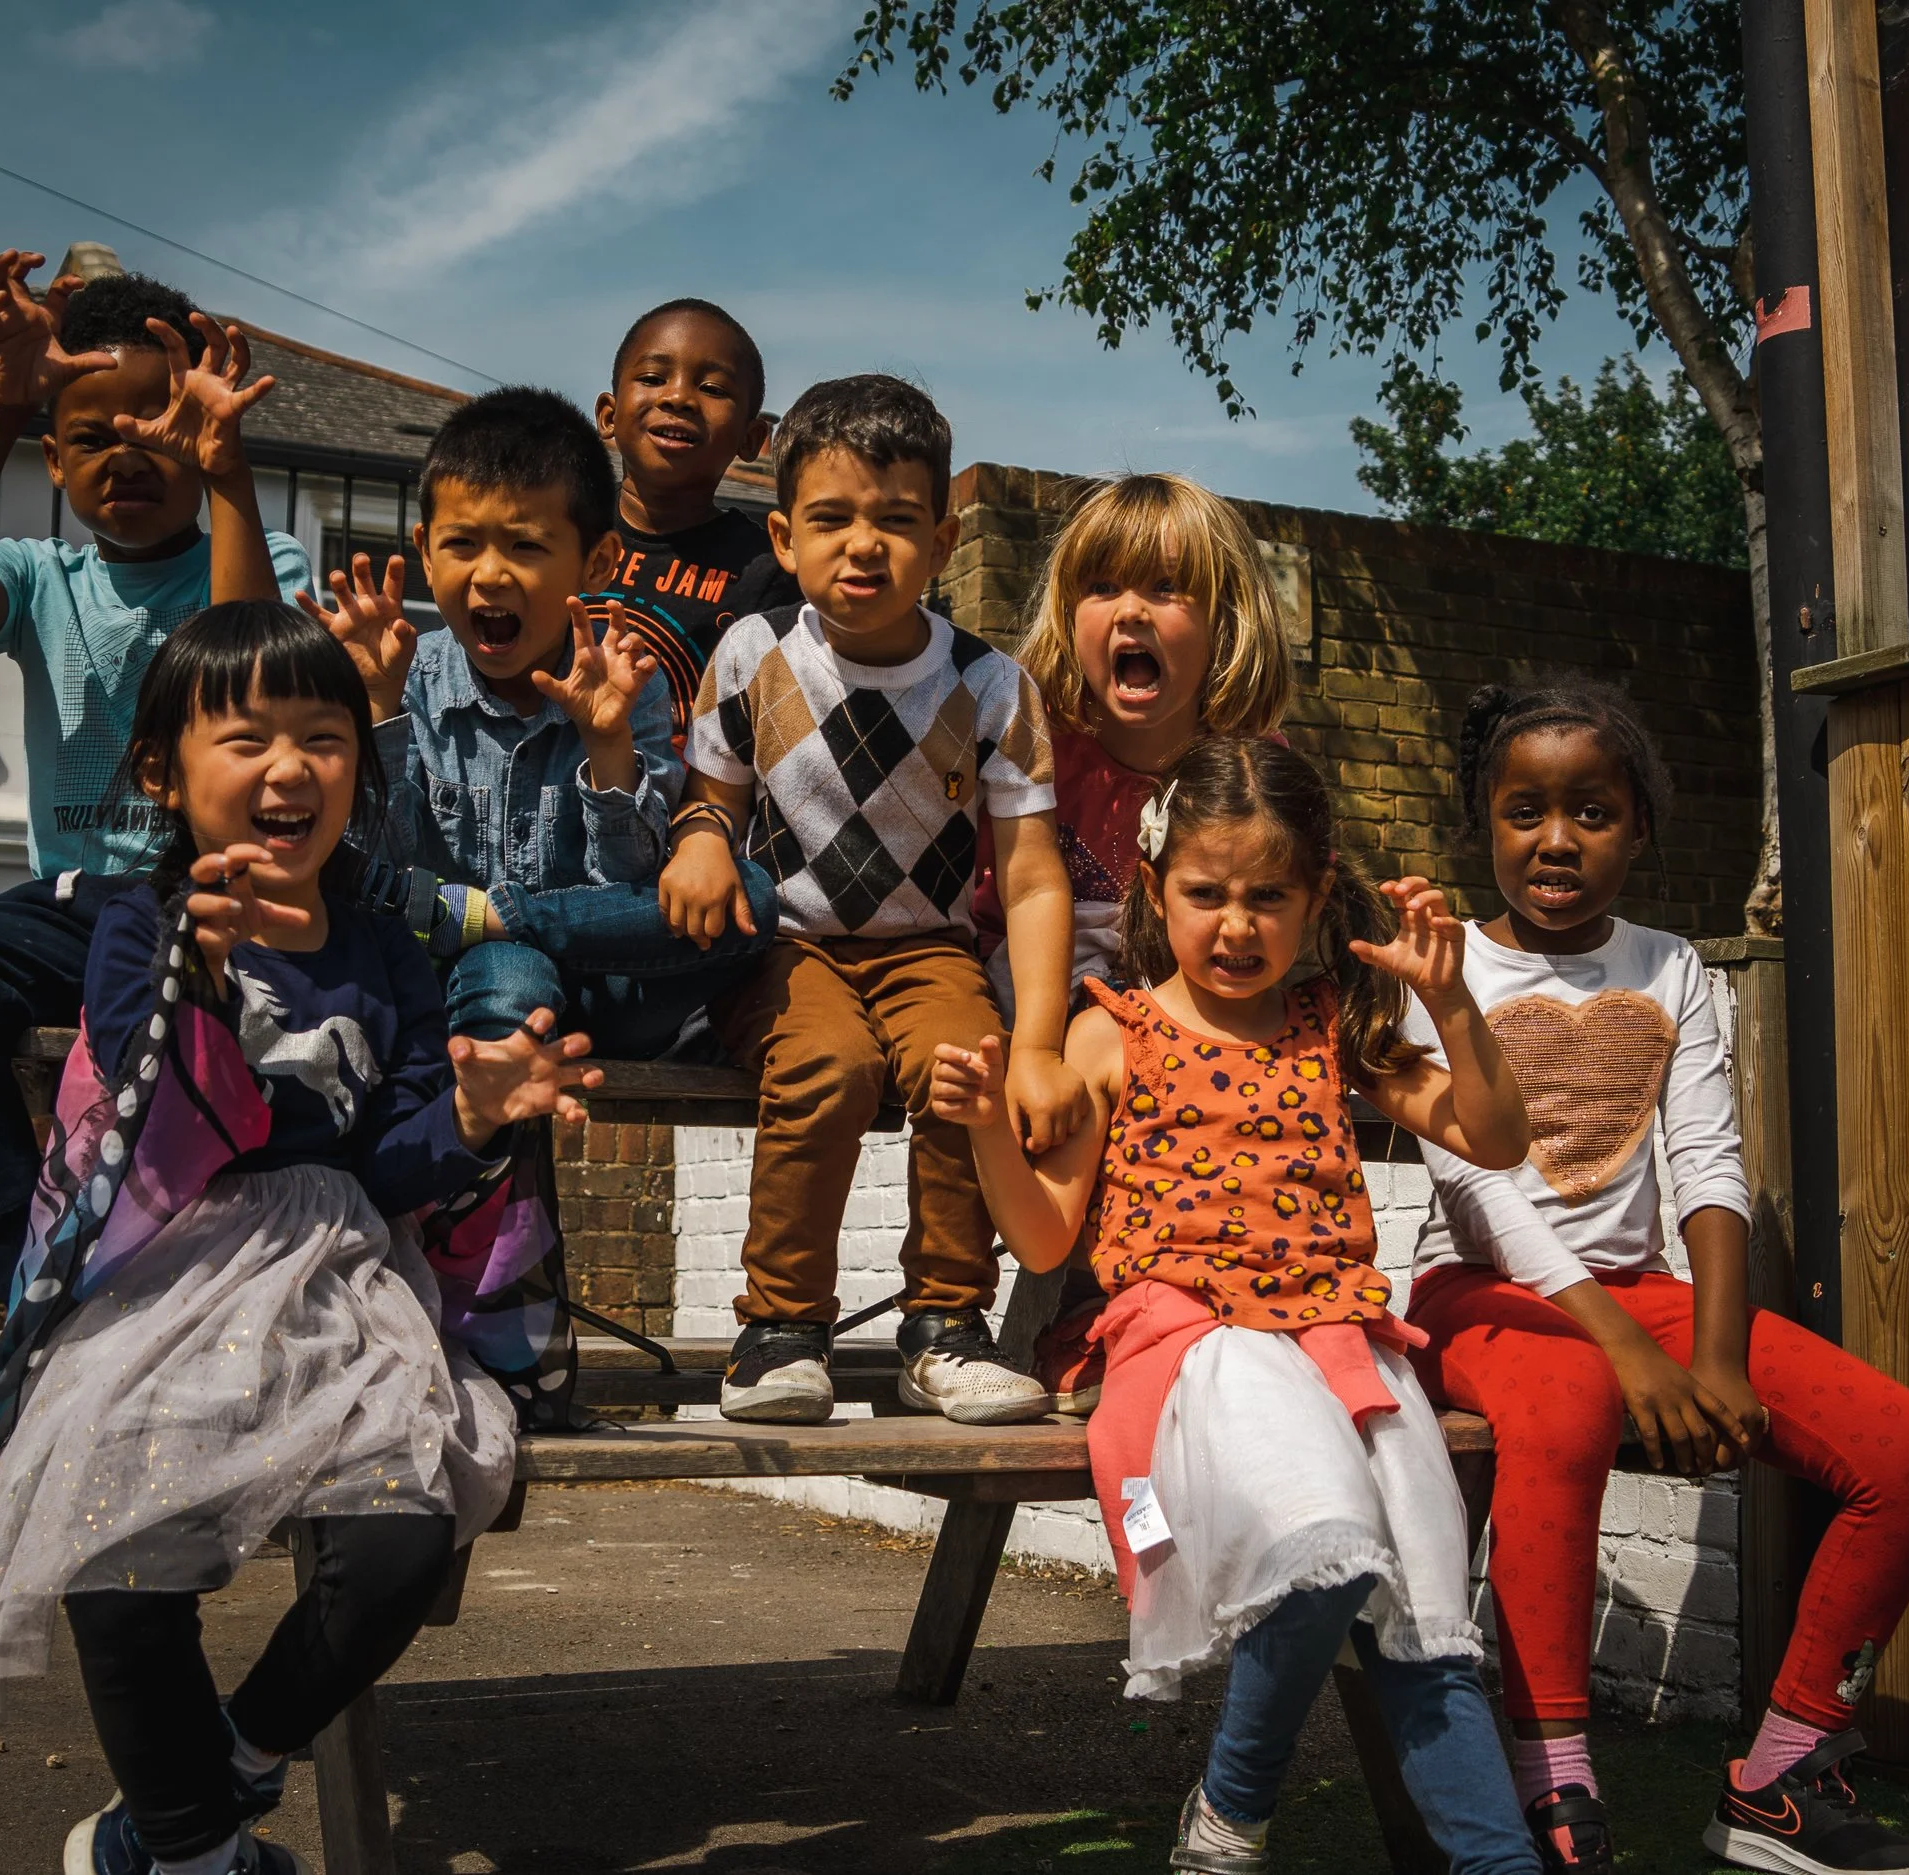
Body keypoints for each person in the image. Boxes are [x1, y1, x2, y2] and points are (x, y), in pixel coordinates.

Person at [0, 601, 599, 1875]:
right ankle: (191, 1853)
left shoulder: (384, 951)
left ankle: (234, 1760)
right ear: (164, 772)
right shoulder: (137, 925)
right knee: (114, 1549)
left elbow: (380, 1155)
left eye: (324, 738)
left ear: (356, 770)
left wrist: (475, 1116)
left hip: (334, 1288)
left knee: (404, 1534)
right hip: (161, 1280)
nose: (289, 769)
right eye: (248, 738)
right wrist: (194, 980)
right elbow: (167, 1122)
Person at [929, 736, 1539, 1875]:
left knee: (1428, 1619)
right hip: (1192, 1347)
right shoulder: (1113, 1029)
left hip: (1343, 1347)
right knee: (1336, 1553)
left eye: (1269, 897)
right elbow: (1047, 1235)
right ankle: (1232, 1803)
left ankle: (1495, 1864)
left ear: (1314, 898)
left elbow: (1496, 1138)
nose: (1236, 925)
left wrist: (1451, 1005)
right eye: (1207, 894)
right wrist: (980, 1133)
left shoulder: (1334, 1025)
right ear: (1157, 890)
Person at [1401, 679, 1909, 1875]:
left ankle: (1779, 1783)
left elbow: (1708, 1161)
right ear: (1483, 824)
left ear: (1638, 829)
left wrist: (1710, 1354)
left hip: (1641, 1300)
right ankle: (1553, 1781)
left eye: (1592, 812)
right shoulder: (1440, 969)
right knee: (1569, 1405)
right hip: (1479, 1297)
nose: (1556, 840)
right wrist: (1629, 1355)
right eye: (1525, 811)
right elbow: (1479, 1192)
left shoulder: (1671, 970)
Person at [0, 252, 311, 1305]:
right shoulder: (37, 577)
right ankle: (19, 1271)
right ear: (53, 465)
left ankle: (195, 1271)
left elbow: (248, 674)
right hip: (76, 906)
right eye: (90, 436)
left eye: (156, 425)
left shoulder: (263, 558)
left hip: (214, 901)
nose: (127, 453)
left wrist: (232, 473)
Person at [662, 374, 1078, 1426]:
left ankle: (945, 1328)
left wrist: (1031, 1044)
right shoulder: (752, 656)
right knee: (825, 1067)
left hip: (926, 951)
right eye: (832, 518)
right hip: (786, 948)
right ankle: (779, 1332)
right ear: (785, 537)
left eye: (896, 521)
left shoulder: (990, 687)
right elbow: (709, 805)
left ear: (940, 545)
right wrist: (703, 843)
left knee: (962, 1075)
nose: (863, 546)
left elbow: (1029, 878)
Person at [305, 385, 777, 1056]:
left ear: (598, 563)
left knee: (751, 895)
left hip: (608, 983)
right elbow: (377, 874)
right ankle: (492, 1135)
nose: (491, 574)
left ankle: (489, 920)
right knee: (508, 967)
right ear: (425, 550)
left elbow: (628, 880)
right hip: (460, 986)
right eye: (463, 543)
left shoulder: (621, 684)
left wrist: (606, 741)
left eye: (525, 547)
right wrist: (379, 710)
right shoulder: (401, 678)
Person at [973, 471, 1299, 1412]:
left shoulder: (1250, 769)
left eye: (1164, 589)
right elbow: (992, 913)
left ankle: (1154, 1312)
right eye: (1103, 588)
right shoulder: (1036, 749)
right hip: (1040, 1005)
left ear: (1225, 620)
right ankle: (1064, 1318)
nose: (1130, 612)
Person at [587, 297, 799, 738]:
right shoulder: (559, 531)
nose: (679, 397)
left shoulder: (768, 574)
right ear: (608, 416)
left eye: (714, 389)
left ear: (751, 437)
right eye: (652, 378)